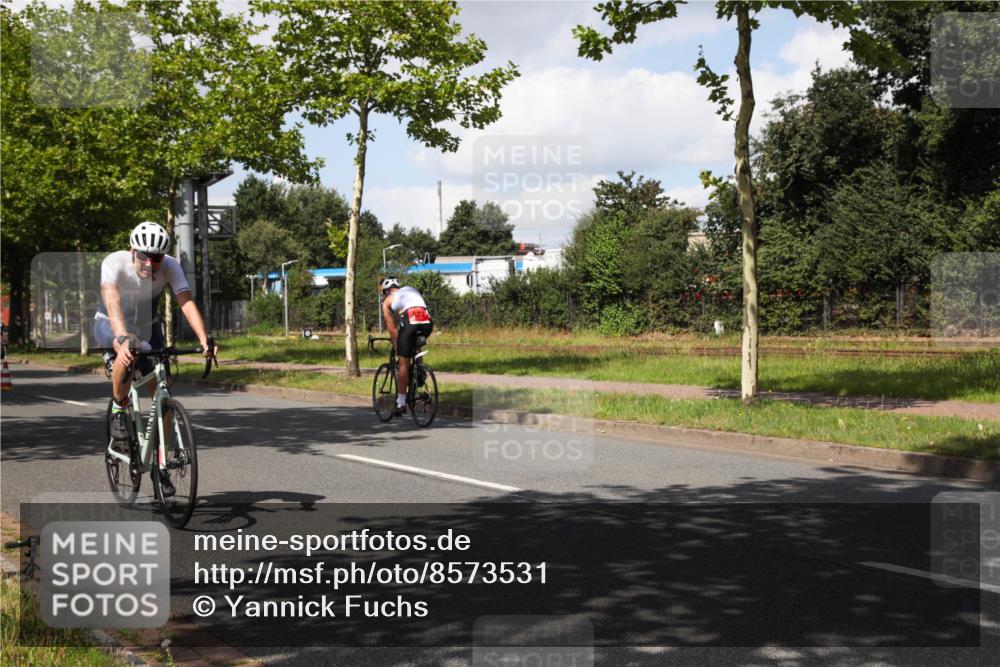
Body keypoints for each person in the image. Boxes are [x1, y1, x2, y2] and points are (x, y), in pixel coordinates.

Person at [94, 222, 217, 492]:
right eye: (144, 256)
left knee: (161, 392)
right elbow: (112, 302)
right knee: (125, 357)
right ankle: (118, 408)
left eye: (157, 257)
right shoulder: (114, 263)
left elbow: (185, 301)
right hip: (110, 323)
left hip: (148, 326)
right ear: (132, 251)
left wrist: (203, 338)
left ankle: (163, 466)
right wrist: (122, 338)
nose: (150, 263)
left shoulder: (170, 265)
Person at [379, 277, 433, 416]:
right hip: (427, 323)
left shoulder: (388, 300)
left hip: (410, 322)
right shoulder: (411, 290)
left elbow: (391, 327)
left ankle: (401, 403)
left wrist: (396, 345)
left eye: (385, 293)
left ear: (389, 291)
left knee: (403, 363)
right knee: (414, 344)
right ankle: (419, 370)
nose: (385, 297)